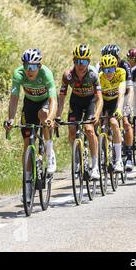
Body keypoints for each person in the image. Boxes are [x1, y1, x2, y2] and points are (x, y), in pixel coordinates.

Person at [4, 49, 58, 200]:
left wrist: (51, 118)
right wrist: (10, 119)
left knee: (43, 115)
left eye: (33, 67)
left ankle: (49, 150)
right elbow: (14, 98)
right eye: (27, 66)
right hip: (29, 104)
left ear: (39, 66)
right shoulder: (18, 74)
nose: (29, 70)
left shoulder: (46, 73)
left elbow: (54, 99)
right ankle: (27, 184)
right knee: (27, 143)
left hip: (45, 102)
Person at [56, 44, 103, 179]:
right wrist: (58, 115)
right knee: (71, 128)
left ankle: (95, 167)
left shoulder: (93, 75)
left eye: (84, 61)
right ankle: (76, 157)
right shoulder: (68, 75)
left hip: (90, 102)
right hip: (75, 101)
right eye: (77, 61)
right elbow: (62, 96)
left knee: (89, 129)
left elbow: (100, 98)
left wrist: (97, 114)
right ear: (74, 61)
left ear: (88, 61)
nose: (80, 65)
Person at [100, 44, 134, 170]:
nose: (110, 58)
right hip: (107, 96)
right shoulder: (102, 67)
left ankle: (129, 156)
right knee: (102, 121)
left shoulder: (124, 66)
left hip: (122, 95)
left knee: (125, 122)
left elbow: (129, 89)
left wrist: (128, 106)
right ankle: (104, 151)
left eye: (114, 57)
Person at [99, 54, 127, 173]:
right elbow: (97, 97)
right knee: (99, 124)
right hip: (104, 101)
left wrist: (119, 109)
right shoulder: (99, 77)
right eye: (106, 70)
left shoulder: (121, 72)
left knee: (114, 123)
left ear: (115, 67)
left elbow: (121, 93)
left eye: (111, 69)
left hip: (116, 101)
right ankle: (102, 151)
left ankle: (119, 160)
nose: (108, 72)